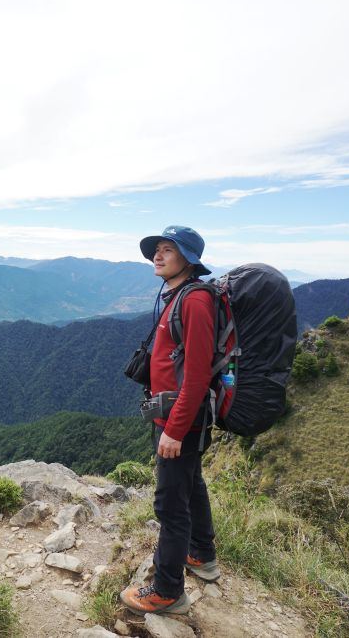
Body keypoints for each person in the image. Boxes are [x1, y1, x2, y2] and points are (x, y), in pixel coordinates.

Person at [119, 225, 222, 616]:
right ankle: (203, 556)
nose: (157, 256)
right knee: (191, 485)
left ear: (189, 259)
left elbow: (196, 375)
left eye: (168, 250)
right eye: (156, 249)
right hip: (176, 414)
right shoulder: (177, 295)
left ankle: (167, 592)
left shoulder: (195, 301)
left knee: (170, 505)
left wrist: (174, 430)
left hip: (182, 420)